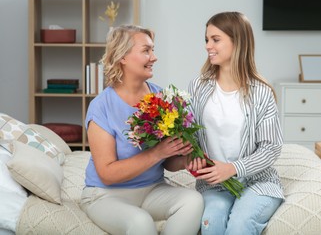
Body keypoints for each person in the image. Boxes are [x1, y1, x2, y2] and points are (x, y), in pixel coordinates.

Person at [80, 24, 204, 235]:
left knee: (193, 200)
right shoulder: (102, 106)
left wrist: (183, 158)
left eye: (152, 50)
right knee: (140, 222)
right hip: (106, 194)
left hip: (152, 189)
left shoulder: (161, 98)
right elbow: (107, 174)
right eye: (146, 50)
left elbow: (168, 163)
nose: (154, 57)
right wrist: (157, 152)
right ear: (123, 57)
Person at [187, 12, 284, 235]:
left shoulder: (261, 93)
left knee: (240, 224)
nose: (208, 46)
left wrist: (233, 168)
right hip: (213, 184)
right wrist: (191, 156)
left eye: (215, 39)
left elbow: (271, 148)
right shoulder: (198, 87)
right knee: (212, 222)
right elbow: (190, 136)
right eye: (206, 39)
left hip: (257, 182)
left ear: (237, 41)